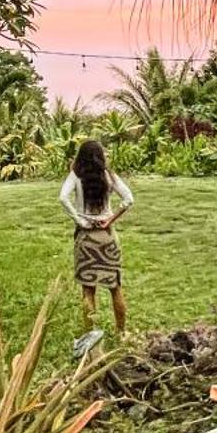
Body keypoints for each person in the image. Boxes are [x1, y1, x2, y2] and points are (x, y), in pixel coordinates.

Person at [60, 139, 132, 333]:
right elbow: (128, 199)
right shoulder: (109, 175)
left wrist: (79, 220)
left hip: (86, 238)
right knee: (115, 287)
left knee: (88, 289)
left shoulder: (76, 175)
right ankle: (121, 332)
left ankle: (91, 334)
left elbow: (63, 197)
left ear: (80, 157)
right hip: (107, 237)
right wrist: (111, 220)